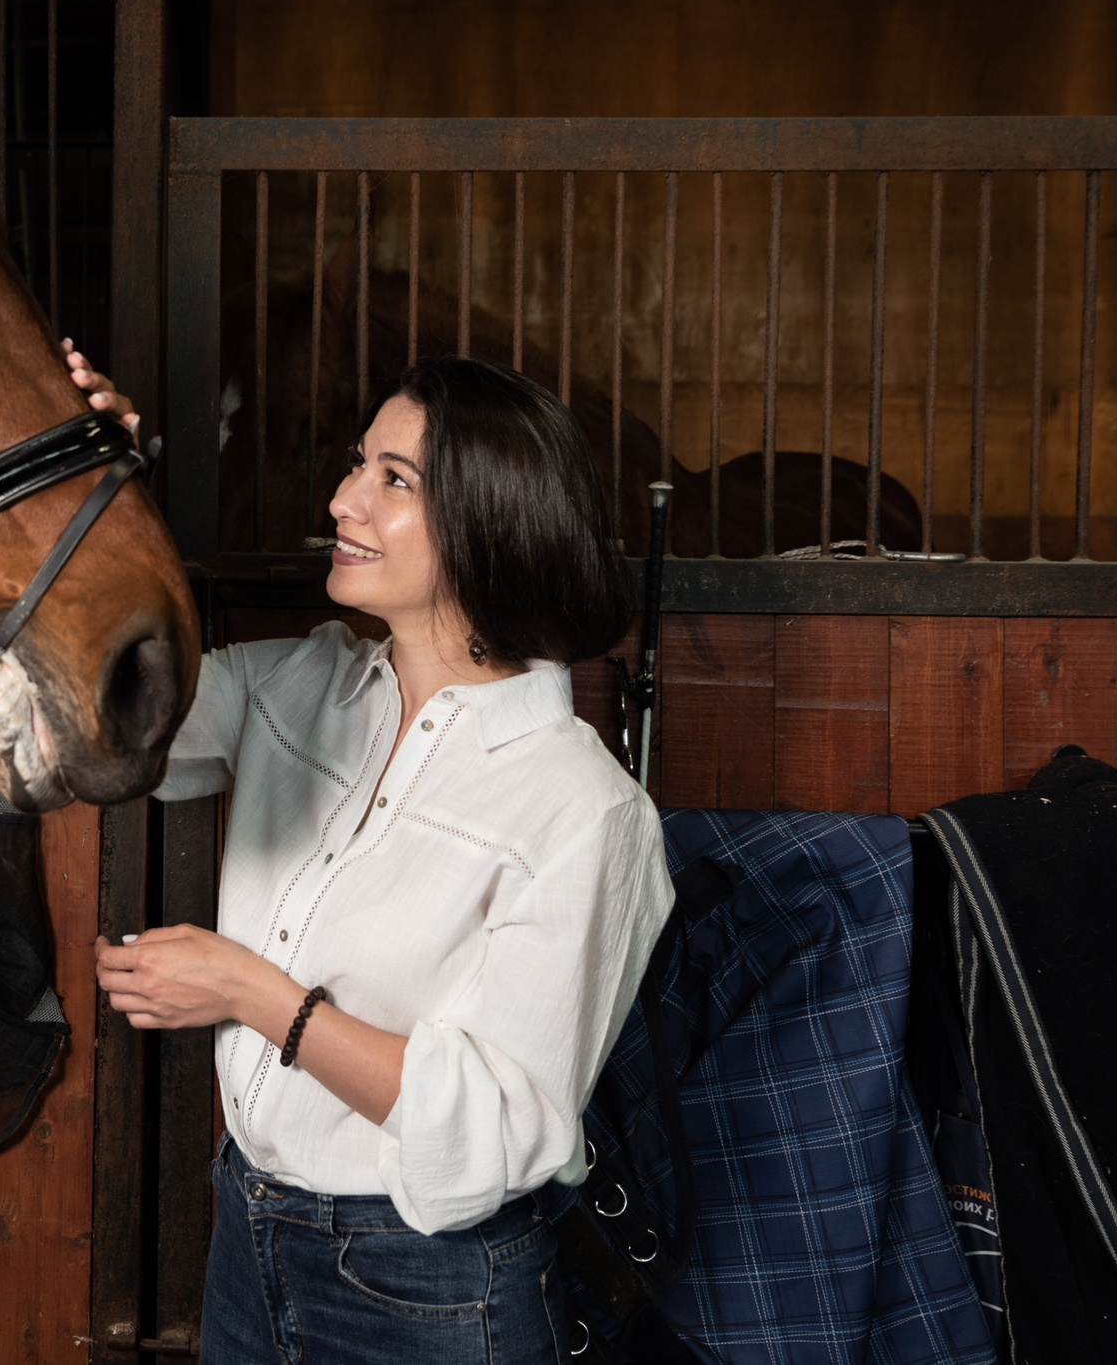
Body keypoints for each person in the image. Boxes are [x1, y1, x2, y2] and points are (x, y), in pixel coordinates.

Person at [71, 341, 673, 1365]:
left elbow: (491, 1130)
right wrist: (92, 484)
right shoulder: (301, 683)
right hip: (248, 1231)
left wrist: (249, 990)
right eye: (358, 463)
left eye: (392, 478)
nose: (344, 498)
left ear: (492, 516)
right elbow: (115, 711)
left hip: (427, 1288)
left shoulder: (583, 808)